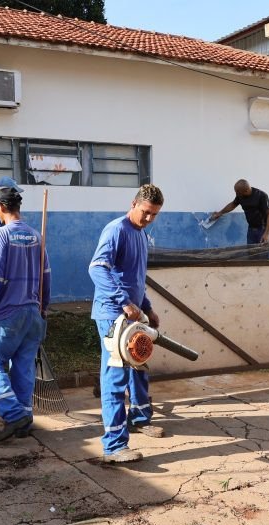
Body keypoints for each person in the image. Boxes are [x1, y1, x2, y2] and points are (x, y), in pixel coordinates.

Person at [88, 184, 165, 464]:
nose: (148, 219)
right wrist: (123, 301)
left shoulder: (141, 235)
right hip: (113, 315)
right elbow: (97, 268)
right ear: (133, 204)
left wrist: (147, 307)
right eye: (145, 212)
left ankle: (140, 417)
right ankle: (114, 446)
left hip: (133, 314)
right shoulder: (116, 230)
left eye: (154, 215)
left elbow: (135, 278)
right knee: (115, 378)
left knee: (140, 364)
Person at [0, 188, 49, 442]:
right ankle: (24, 420)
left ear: (1, 208)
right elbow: (45, 278)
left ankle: (14, 415)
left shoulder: (0, 235)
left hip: (8, 316)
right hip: (33, 314)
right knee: (23, 367)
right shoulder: (37, 236)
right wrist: (43, 309)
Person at [209, 179, 269, 245]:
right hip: (251, 228)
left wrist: (266, 233)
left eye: (238, 192)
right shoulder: (240, 196)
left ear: (246, 191)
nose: (236, 194)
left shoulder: (261, 196)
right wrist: (220, 213)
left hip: (263, 229)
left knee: (262, 253)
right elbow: (233, 204)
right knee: (251, 252)